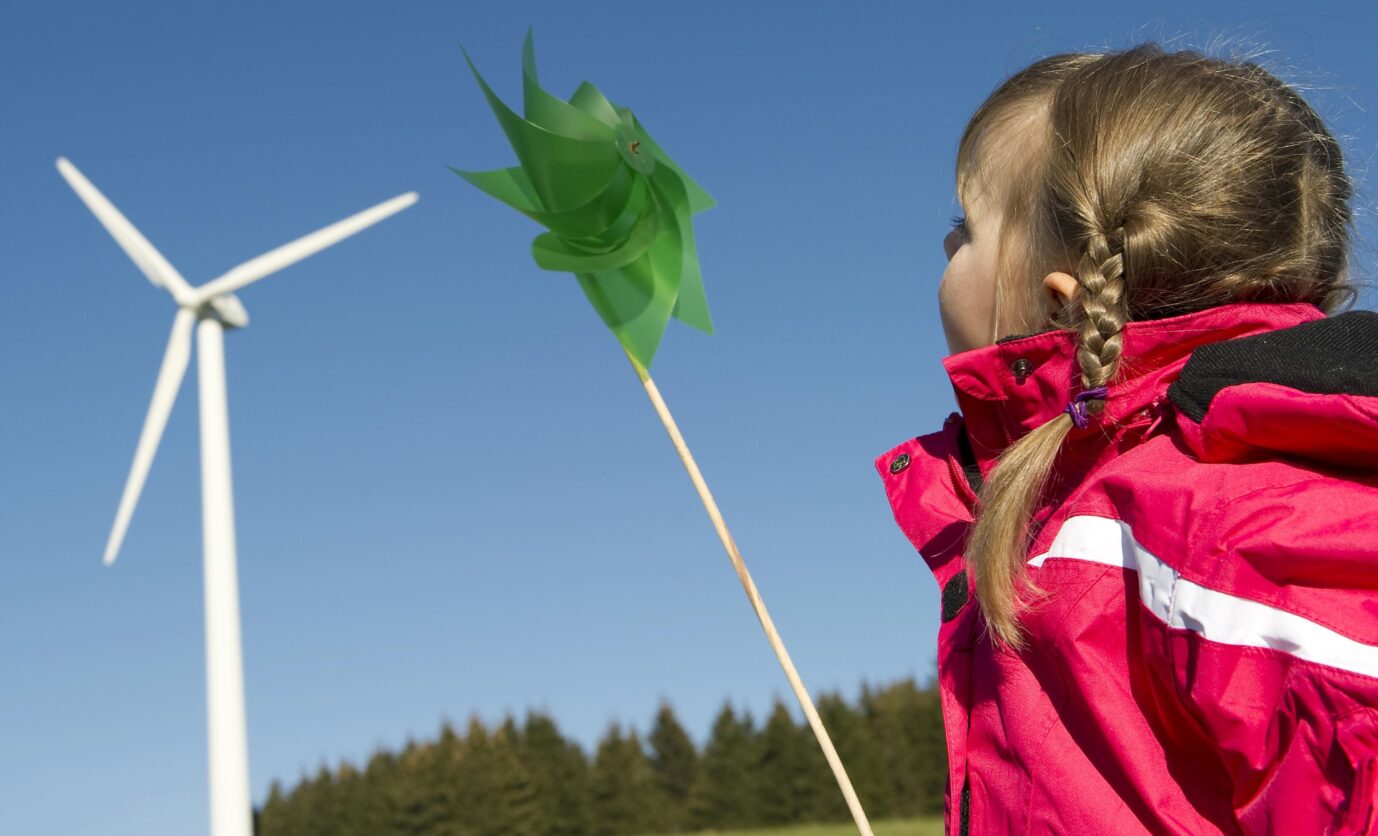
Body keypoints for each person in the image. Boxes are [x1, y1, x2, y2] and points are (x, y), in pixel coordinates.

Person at [877, 44, 1378, 834]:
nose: (946, 249)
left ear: (1060, 303)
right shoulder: (1075, 519)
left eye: (964, 227)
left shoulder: (1228, 529)